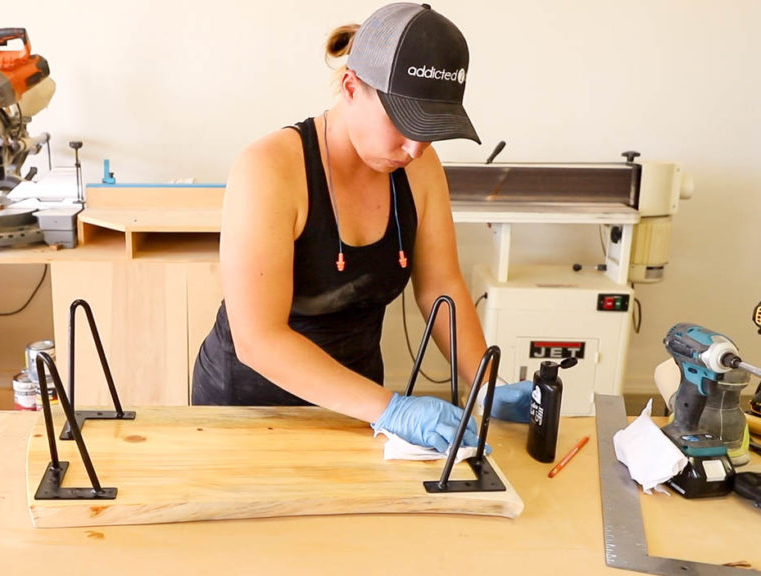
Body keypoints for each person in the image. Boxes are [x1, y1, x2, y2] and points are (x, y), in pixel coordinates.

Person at [192, 3, 529, 452]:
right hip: (251, 410)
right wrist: (395, 409)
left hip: (358, 404)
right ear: (351, 86)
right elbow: (258, 339)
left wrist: (484, 383)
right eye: (403, 123)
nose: (414, 148)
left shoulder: (419, 170)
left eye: (430, 130)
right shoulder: (270, 169)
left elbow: (440, 287)